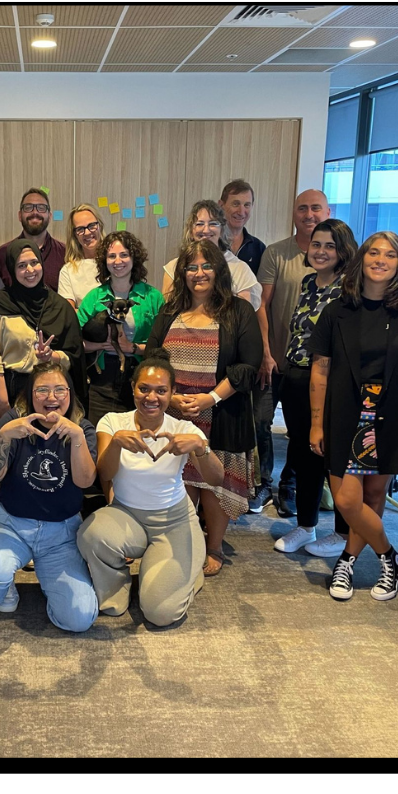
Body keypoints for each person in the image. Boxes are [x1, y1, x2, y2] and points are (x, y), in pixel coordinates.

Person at [309, 231, 398, 602]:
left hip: (391, 415)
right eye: (374, 252)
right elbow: (320, 370)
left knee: (373, 495)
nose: (380, 259)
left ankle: (348, 561)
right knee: (347, 500)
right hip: (346, 414)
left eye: (390, 254)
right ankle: (392, 557)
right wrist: (317, 422)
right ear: (361, 259)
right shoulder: (338, 308)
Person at [77, 351, 223, 626]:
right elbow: (105, 474)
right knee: (91, 534)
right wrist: (117, 443)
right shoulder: (112, 422)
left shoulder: (184, 427)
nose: (151, 397)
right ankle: (117, 588)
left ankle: (186, 569)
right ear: (133, 388)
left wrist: (200, 447)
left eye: (160, 390)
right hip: (125, 514)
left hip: (174, 520)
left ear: (172, 393)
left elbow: (216, 479)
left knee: (160, 614)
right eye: (144, 388)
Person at [146, 240, 263, 577]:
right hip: (175, 413)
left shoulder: (239, 311)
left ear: (218, 270)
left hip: (222, 412)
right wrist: (171, 399)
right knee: (181, 482)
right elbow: (153, 356)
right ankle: (183, 540)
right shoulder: (169, 311)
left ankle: (213, 546)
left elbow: (248, 365)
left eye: (205, 266)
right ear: (182, 273)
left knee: (215, 486)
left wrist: (210, 398)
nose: (198, 274)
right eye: (191, 267)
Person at [0, 362, 99, 632]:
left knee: (79, 619)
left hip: (61, 532)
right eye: (42, 390)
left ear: (71, 394)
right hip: (11, 523)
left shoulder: (82, 429)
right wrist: (4, 436)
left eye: (60, 389)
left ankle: (51, 582)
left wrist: (76, 438)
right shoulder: (14, 421)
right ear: (30, 394)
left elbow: (85, 481)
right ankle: (5, 589)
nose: (51, 398)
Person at [272, 218, 356, 556]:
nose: (320, 251)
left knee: (332, 457)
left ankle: (342, 532)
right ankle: (306, 526)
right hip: (296, 378)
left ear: (343, 250)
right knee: (303, 453)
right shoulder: (309, 282)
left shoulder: (351, 289)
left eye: (329, 246)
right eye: (316, 244)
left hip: (329, 384)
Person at [255, 188, 332, 519]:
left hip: (317, 370)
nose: (309, 214)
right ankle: (263, 482)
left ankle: (290, 484)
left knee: (302, 434)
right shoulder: (276, 253)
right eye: (302, 208)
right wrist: (266, 352)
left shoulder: (341, 268)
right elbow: (263, 304)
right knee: (261, 422)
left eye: (316, 208)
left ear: (327, 212)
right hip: (276, 361)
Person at [0, 238, 86, 426]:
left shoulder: (59, 306)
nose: (30, 270)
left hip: (52, 397)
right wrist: (3, 405)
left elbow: (74, 354)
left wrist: (52, 356)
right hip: (9, 393)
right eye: (21, 265)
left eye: (34, 263)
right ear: (12, 269)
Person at [76, 231, 164, 427]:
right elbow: (74, 342)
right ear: (104, 261)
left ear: (135, 258)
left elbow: (163, 346)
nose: (118, 261)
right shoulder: (93, 298)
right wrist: (98, 344)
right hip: (100, 382)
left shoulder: (153, 297)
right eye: (111, 256)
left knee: (137, 443)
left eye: (124, 254)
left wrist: (132, 348)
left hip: (141, 380)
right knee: (100, 441)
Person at [162, 199, 263, 309]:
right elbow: (169, 312)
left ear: (222, 230)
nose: (206, 230)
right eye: (200, 224)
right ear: (191, 231)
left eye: (213, 223)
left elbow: (243, 316)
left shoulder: (240, 269)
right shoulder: (173, 268)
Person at [0, 188, 67, 291]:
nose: (35, 212)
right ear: (20, 215)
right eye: (28, 207)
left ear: (49, 216)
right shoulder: (1, 255)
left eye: (41, 208)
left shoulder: (65, 254)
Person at [57, 204, 105, 310]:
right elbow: (68, 313)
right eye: (80, 229)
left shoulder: (116, 263)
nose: (87, 233)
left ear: (100, 226)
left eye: (92, 225)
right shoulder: (68, 271)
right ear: (74, 235)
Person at [219, 179, 266, 276]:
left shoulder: (259, 248)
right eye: (236, 204)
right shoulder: (210, 243)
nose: (241, 212)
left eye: (247, 205)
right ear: (221, 205)